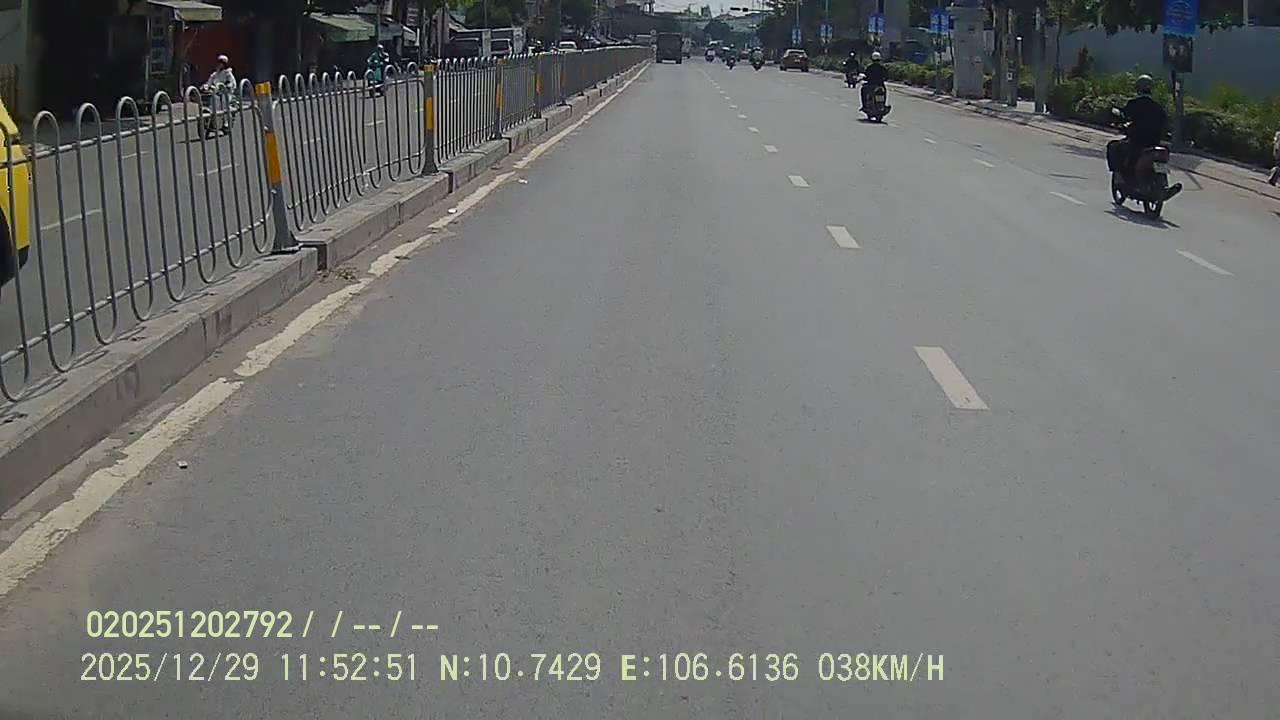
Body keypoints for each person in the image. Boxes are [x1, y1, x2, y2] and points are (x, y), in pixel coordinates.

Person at [204, 55, 237, 135]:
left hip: (225, 94)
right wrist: (205, 86)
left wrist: (228, 86)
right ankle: (212, 125)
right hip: (216, 94)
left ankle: (226, 124)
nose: (219, 65)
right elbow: (209, 82)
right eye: (218, 63)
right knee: (213, 107)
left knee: (224, 106)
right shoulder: (214, 74)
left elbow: (233, 83)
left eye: (221, 63)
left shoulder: (228, 73)